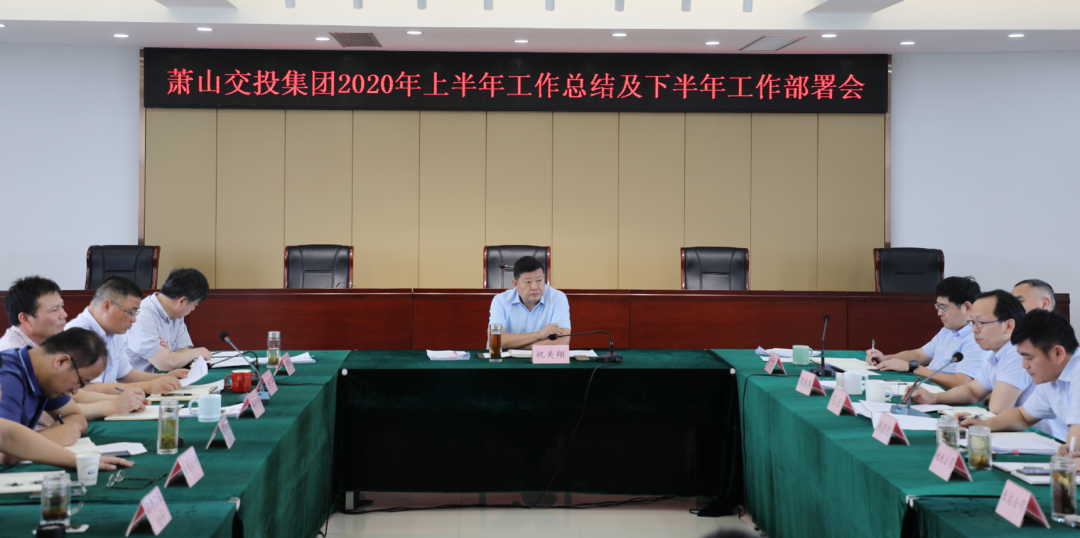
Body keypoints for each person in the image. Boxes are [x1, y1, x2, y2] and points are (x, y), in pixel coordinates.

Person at [908, 291, 1059, 431]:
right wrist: (934, 398)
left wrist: (980, 421)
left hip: (1043, 439)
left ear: (1008, 325)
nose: (974, 329)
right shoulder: (998, 353)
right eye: (972, 322)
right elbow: (973, 391)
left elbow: (998, 410)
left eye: (981, 323)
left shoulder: (1018, 353)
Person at [65, 277, 190, 420]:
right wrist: (149, 386)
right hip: (89, 414)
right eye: (130, 312)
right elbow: (88, 389)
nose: (134, 319)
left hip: (107, 408)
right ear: (107, 306)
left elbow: (125, 374)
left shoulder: (113, 329)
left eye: (135, 313)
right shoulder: (79, 334)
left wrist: (165, 377)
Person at [961, 310, 1079, 447]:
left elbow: (1076, 442)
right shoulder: (1050, 377)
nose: (1024, 365)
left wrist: (1071, 450)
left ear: (1057, 353)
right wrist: (983, 424)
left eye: (1029, 358)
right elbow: (1022, 416)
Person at [0, 328, 106, 464]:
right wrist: (54, 436)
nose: (75, 391)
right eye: (80, 382)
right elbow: (5, 451)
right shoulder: (7, 377)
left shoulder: (43, 375)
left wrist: (62, 432)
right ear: (61, 362)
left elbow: (77, 418)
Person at [865, 276, 990, 390]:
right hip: (928, 387)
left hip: (946, 396)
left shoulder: (977, 339)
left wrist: (913, 368)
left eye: (944, 307)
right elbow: (919, 355)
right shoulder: (948, 330)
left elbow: (962, 383)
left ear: (967, 307)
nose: (939, 313)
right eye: (938, 307)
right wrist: (885, 359)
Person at [122, 268, 211, 373]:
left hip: (163, 378)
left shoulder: (176, 314)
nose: (193, 309)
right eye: (194, 305)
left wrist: (170, 356)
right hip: (138, 382)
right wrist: (196, 353)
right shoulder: (143, 316)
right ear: (182, 301)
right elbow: (164, 364)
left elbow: (184, 350)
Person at [487, 256, 571, 349]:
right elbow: (495, 339)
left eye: (539, 280)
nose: (534, 287)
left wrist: (516, 346)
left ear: (544, 278)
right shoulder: (501, 300)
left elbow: (562, 341)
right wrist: (539, 334)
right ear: (515, 284)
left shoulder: (557, 298)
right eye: (528, 282)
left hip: (541, 357)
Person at [0, 276, 67, 351]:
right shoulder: (16, 354)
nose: (64, 314)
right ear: (25, 319)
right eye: (54, 310)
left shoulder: (47, 340)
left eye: (62, 306)